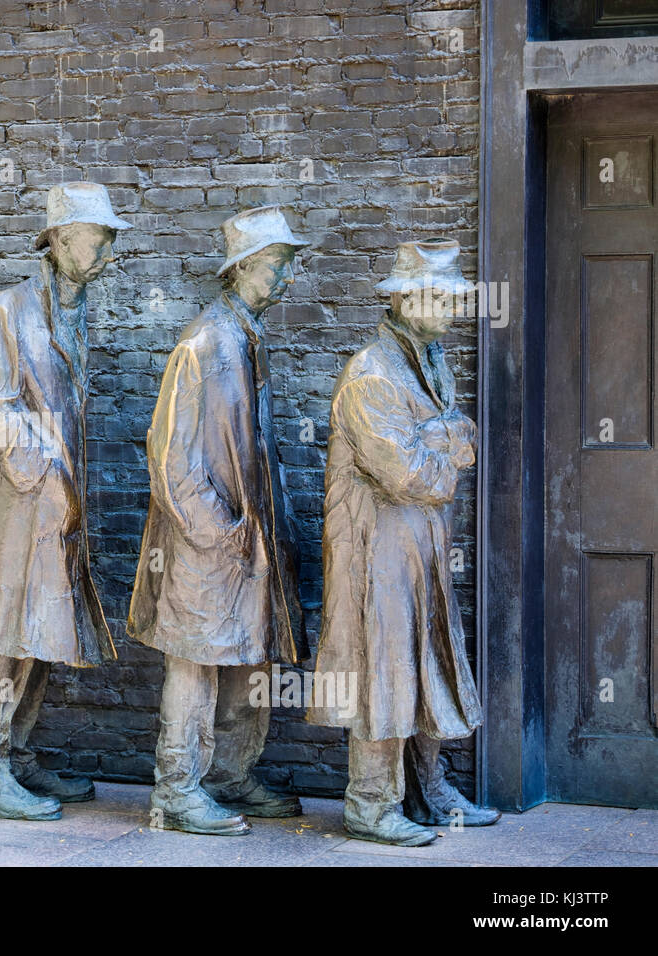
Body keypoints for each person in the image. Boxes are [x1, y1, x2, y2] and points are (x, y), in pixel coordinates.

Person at [306, 238, 501, 845]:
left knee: (428, 659)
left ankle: (426, 788)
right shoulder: (371, 375)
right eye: (441, 297)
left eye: (454, 298)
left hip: (418, 544)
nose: (452, 308)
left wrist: (440, 437)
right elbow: (409, 474)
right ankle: (370, 801)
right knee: (381, 668)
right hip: (375, 547)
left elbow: (452, 444)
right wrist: (449, 439)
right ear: (406, 300)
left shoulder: (430, 357)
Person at [128, 205, 309, 835]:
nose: (284, 280)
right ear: (242, 269)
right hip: (207, 546)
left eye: (285, 267)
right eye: (275, 267)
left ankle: (229, 774)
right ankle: (176, 790)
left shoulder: (245, 338)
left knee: (248, 660)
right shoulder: (204, 344)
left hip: (247, 544)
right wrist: (218, 532)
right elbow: (171, 457)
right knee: (196, 663)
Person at [0, 182, 129, 821]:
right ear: (58, 240)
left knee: (43, 632)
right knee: (6, 634)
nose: (107, 250)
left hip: (59, 508)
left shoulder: (77, 312)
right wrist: (47, 471)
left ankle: (17, 753)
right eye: (98, 236)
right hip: (23, 501)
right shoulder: (7, 310)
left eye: (109, 239)